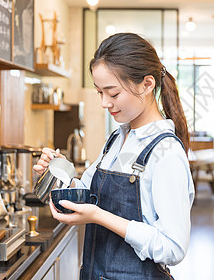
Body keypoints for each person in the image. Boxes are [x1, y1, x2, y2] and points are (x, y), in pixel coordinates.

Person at [33, 32, 195, 280]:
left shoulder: (166, 153)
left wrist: (99, 216)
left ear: (147, 84)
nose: (104, 103)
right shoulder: (117, 140)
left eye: (113, 93)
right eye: (100, 92)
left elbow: (173, 247)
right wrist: (59, 172)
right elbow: (85, 191)